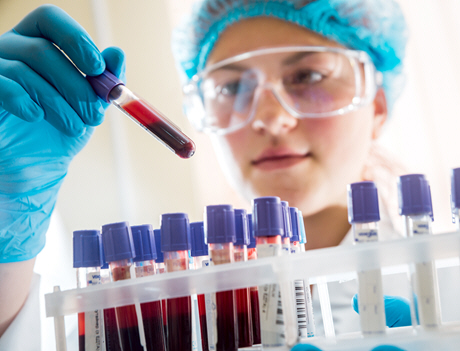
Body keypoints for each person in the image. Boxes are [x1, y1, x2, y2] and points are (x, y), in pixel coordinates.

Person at [0, 1, 412, 350]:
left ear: (376, 106)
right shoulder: (159, 307)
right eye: (231, 88)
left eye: (306, 77)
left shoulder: (446, 280)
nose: (270, 118)